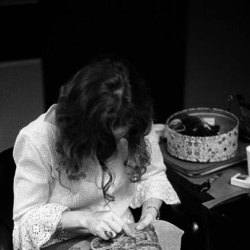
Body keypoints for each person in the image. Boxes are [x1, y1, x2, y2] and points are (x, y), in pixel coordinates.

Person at [12, 54, 180, 249]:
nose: (110, 151)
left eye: (120, 138)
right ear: (80, 129)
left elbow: (153, 175)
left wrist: (150, 212)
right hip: (62, 239)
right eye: (104, 140)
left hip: (120, 231)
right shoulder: (37, 140)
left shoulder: (135, 118)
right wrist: (85, 219)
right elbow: (25, 221)